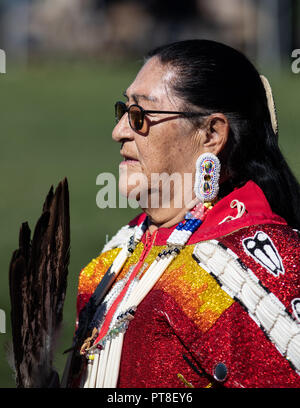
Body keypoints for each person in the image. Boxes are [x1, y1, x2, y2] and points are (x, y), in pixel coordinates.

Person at [62, 39, 300, 388]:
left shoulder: (250, 276)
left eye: (141, 116)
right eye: (123, 110)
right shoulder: (112, 262)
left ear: (211, 134)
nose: (119, 132)